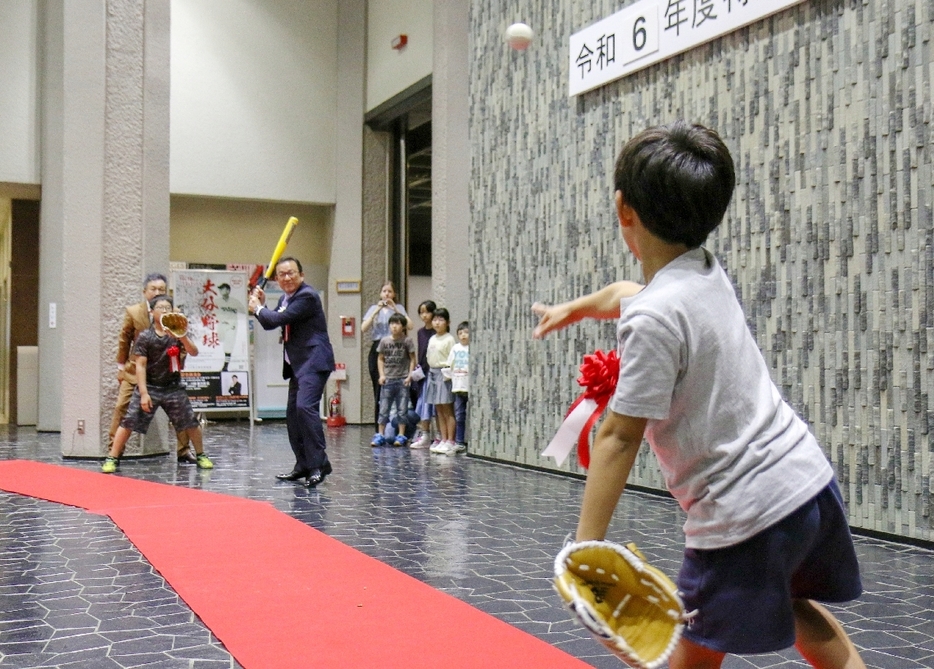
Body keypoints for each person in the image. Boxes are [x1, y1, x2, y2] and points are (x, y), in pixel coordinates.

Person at [533, 121, 865, 669]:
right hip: (805, 485)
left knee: (696, 647)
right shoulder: (704, 272)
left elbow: (618, 435)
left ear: (623, 210)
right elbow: (629, 294)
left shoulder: (653, 319)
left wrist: (584, 551)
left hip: (744, 513)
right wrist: (576, 307)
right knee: (794, 602)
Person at [102, 295, 214, 473]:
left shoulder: (178, 333)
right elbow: (140, 365)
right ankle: (112, 457)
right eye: (161, 308)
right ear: (151, 312)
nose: (165, 311)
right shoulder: (146, 336)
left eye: (168, 308)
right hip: (150, 387)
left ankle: (201, 454)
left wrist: (182, 336)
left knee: (190, 422)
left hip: (173, 387)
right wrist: (144, 393)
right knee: (128, 421)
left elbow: (193, 352)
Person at [249, 257, 335, 488]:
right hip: (298, 365)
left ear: (302, 275)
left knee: (304, 408)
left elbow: (279, 318)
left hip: (314, 362)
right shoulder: (286, 298)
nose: (287, 277)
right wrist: (263, 306)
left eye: (291, 273)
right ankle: (303, 465)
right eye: (282, 274)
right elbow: (270, 321)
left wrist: (257, 308)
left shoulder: (307, 296)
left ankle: (319, 465)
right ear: (276, 279)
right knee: (293, 416)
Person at [107, 273, 196, 464]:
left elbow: (182, 341)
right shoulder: (133, 312)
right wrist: (121, 368)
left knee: (180, 412)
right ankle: (114, 452)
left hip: (165, 374)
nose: (157, 292)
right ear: (144, 291)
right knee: (121, 407)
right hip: (135, 370)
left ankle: (184, 450)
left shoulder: (175, 312)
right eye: (153, 289)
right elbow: (124, 341)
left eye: (161, 290)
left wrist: (177, 362)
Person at [362, 282, 413, 427]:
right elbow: (363, 328)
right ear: (380, 293)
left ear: (394, 294)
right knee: (379, 386)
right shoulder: (374, 309)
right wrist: (376, 311)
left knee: (397, 385)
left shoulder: (399, 308)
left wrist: (395, 309)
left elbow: (410, 325)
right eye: (384, 291)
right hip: (378, 345)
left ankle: (397, 424)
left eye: (390, 291)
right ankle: (379, 426)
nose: (386, 294)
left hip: (396, 347)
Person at [371, 313, 417, 447]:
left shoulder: (407, 341)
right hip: (388, 379)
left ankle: (401, 435)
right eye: (392, 323)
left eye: (397, 324)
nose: (394, 326)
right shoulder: (384, 341)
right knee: (383, 408)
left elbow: (412, 358)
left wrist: (410, 375)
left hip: (402, 379)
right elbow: (380, 358)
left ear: (403, 326)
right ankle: (380, 434)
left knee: (402, 409)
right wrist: (381, 374)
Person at [424, 308, 457, 454]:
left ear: (448, 322)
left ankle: (451, 440)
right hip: (432, 372)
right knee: (438, 409)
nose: (437, 323)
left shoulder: (449, 339)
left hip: (444, 373)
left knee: (447, 408)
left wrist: (449, 375)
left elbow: (452, 359)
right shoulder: (432, 338)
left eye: (441, 319)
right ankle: (443, 438)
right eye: (435, 319)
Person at [409, 300, 437, 449]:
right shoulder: (420, 332)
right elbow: (421, 353)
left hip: (433, 372)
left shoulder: (436, 333)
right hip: (423, 373)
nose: (424, 315)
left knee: (433, 405)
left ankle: (436, 435)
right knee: (423, 404)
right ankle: (425, 433)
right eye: (421, 312)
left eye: (427, 312)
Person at [442, 320, 469, 454]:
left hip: (469, 387)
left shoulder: (472, 348)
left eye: (466, 332)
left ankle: (468, 441)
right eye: (460, 333)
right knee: (459, 415)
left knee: (470, 415)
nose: (463, 335)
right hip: (458, 386)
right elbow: (448, 365)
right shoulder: (455, 348)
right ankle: (459, 441)